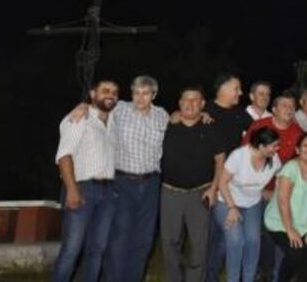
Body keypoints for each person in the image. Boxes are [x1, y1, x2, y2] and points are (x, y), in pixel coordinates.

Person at [67, 75, 169, 282]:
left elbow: (179, 118)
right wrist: (84, 105)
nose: (140, 98)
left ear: (154, 95)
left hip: (151, 184)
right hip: (123, 182)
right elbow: (99, 106)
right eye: (136, 92)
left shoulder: (162, 116)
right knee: (119, 238)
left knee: (143, 240)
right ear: (131, 93)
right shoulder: (120, 109)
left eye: (146, 93)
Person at [52, 80, 119, 282]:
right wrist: (72, 189)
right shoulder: (79, 118)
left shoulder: (115, 121)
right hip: (82, 189)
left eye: (115, 92)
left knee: (97, 249)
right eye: (105, 90)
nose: (110, 94)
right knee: (72, 248)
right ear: (92, 94)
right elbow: (64, 155)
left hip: (108, 193)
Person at [159, 86, 225, 282]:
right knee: (170, 243)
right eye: (185, 100)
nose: (189, 103)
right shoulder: (167, 125)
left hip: (200, 193)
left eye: (195, 100)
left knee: (199, 244)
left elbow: (220, 158)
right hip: (170, 193)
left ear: (203, 104)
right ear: (179, 103)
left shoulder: (210, 127)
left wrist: (214, 189)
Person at [242, 92, 304, 282]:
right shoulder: (260, 126)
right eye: (284, 105)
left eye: (292, 106)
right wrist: (261, 190)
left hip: (281, 191)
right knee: (256, 235)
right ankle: (257, 273)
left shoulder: (297, 132)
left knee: (280, 233)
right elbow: (244, 160)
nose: (289, 109)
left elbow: (298, 167)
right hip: (255, 189)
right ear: (274, 109)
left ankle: (277, 275)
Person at [204, 73, 254, 282]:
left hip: (229, 183)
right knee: (208, 235)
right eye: (237, 88)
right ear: (222, 88)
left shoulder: (240, 114)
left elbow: (258, 132)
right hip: (205, 182)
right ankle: (207, 275)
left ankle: (212, 275)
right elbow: (180, 115)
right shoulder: (204, 109)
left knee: (224, 235)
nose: (240, 93)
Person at [216, 127, 282, 282]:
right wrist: (231, 208)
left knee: (253, 241)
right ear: (261, 146)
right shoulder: (239, 156)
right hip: (227, 201)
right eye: (274, 145)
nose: (277, 149)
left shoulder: (274, 158)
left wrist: (272, 191)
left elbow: (281, 176)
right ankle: (232, 279)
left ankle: (248, 278)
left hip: (252, 203)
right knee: (236, 240)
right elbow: (222, 183)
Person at [265, 132, 307, 281]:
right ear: (297, 150)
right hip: (279, 222)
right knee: (296, 250)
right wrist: (290, 230)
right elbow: (283, 201)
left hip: (303, 223)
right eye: (306, 145)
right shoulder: (290, 168)